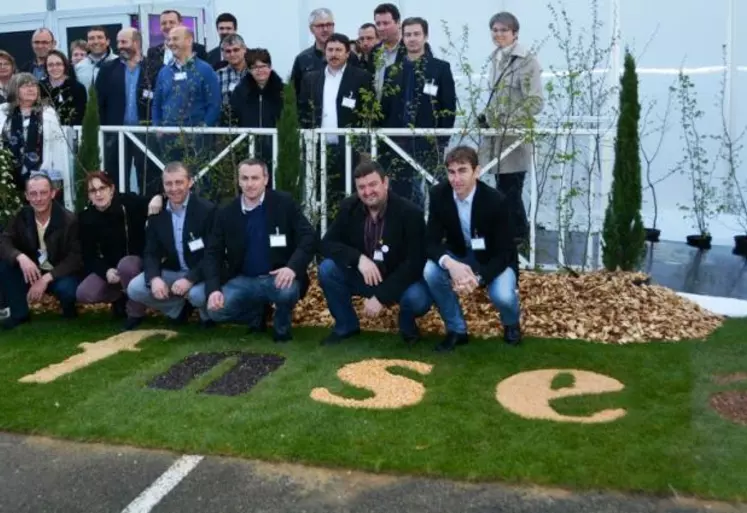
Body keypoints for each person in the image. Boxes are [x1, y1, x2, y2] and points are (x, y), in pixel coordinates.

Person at [198, 158, 317, 341]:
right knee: (215, 312)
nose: (250, 184)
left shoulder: (283, 203)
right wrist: (214, 289)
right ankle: (256, 314)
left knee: (287, 292)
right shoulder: (226, 212)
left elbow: (309, 237)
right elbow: (213, 253)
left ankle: (282, 325)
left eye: (255, 178)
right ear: (239, 181)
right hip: (243, 279)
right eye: (245, 178)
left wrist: (292, 268)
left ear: (266, 179)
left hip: (276, 278)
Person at [318, 160, 431, 345]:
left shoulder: (410, 213)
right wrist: (359, 259)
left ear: (385, 183)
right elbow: (327, 243)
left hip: (400, 279)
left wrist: (381, 296)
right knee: (327, 269)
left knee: (418, 299)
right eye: (361, 187)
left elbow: (415, 263)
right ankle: (346, 326)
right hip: (366, 277)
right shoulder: (349, 207)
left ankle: (407, 326)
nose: (367, 191)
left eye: (372, 184)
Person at [423, 146, 521, 351]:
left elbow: (505, 252)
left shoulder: (496, 201)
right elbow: (430, 242)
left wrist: (478, 279)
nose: (456, 178)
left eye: (462, 170)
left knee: (503, 296)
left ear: (476, 171)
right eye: (451, 172)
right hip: (459, 254)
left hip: (493, 258)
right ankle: (457, 330)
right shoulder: (439, 194)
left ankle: (511, 323)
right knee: (431, 271)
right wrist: (450, 264)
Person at [478, 12, 544, 244]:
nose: (498, 34)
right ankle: (510, 237)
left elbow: (535, 101)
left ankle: (518, 239)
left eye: (503, 30)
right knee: (501, 188)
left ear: (515, 33)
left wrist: (509, 121)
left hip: (514, 138)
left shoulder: (526, 61)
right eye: (495, 30)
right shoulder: (496, 58)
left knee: (511, 189)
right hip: (497, 137)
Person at [126, 162, 215, 328]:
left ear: (190, 182)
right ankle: (178, 309)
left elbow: (212, 254)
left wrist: (190, 279)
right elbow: (151, 252)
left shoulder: (207, 210)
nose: (174, 188)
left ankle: (206, 315)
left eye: (179, 182)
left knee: (197, 295)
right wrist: (154, 278)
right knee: (135, 288)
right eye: (169, 183)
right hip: (174, 271)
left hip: (201, 272)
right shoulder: (157, 214)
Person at [0, 173, 82, 330]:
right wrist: (20, 257)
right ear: (27, 196)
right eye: (33, 194)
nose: (38, 198)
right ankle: (20, 315)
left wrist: (45, 279)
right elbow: (4, 241)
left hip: (58, 272)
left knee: (67, 289)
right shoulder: (22, 215)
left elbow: (75, 258)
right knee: (6, 265)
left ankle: (69, 309)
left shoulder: (68, 220)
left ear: (53, 193)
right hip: (33, 271)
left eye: (43, 193)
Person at [75, 172, 150, 329]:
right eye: (93, 190)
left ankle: (135, 313)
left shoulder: (129, 203)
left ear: (112, 189)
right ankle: (120, 297)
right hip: (112, 270)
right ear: (88, 195)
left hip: (135, 263)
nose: (98, 194)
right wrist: (106, 271)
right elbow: (88, 255)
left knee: (126, 265)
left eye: (102, 188)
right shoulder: (86, 218)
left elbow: (156, 199)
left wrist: (157, 198)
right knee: (84, 293)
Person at [0, 73, 71, 197]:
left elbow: (57, 147)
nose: (31, 89)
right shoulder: (3, 111)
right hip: (7, 175)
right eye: (25, 86)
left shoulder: (48, 113)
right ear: (15, 89)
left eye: (34, 86)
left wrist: (57, 178)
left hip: (39, 175)